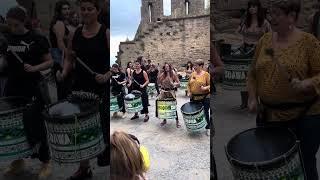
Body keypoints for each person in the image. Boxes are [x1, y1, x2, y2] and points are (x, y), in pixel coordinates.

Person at [247, 1, 320, 179]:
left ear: (292, 17)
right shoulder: (264, 41)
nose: (271, 18)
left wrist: (308, 83)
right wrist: (252, 97)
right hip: (269, 116)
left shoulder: (308, 42)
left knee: (304, 163)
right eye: (270, 13)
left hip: (305, 117)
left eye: (277, 14)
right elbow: (252, 73)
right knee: (274, 165)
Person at [56, 0, 110, 179]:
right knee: (79, 129)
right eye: (83, 9)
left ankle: (112, 168)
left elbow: (116, 64)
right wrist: (63, 73)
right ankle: (84, 167)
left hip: (100, 89)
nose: (85, 12)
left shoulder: (105, 33)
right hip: (80, 88)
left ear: (97, 11)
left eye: (90, 9)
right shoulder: (76, 33)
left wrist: (107, 75)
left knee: (101, 129)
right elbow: (70, 58)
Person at [3, 6, 54, 179]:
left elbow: (49, 62)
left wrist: (34, 68)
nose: (13, 28)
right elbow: (4, 61)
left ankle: (46, 162)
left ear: (24, 21)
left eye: (16, 24)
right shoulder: (7, 39)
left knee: (35, 125)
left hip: (32, 88)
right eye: (10, 25)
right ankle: (17, 162)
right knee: (13, 126)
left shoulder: (36, 38)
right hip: (12, 87)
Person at [237, 0, 271, 109]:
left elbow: (269, 36)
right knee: (244, 75)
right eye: (250, 7)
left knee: (258, 75)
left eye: (254, 6)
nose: (252, 9)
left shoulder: (264, 22)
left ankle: (259, 100)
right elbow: (238, 33)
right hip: (245, 49)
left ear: (258, 8)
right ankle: (244, 101)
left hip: (258, 49)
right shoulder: (245, 21)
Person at [49, 0, 72, 100]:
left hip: (58, 58)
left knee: (63, 88)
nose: (67, 11)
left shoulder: (59, 22)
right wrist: (68, 58)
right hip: (60, 58)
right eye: (64, 9)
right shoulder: (59, 23)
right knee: (64, 89)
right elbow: (60, 43)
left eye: (68, 8)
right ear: (59, 11)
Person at [188, 59, 211, 136]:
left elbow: (211, 85)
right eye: (194, 65)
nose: (194, 67)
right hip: (194, 97)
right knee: (195, 112)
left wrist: (205, 88)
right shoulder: (192, 74)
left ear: (201, 66)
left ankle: (208, 127)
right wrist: (189, 92)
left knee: (205, 112)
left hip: (205, 97)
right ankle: (197, 126)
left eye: (196, 65)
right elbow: (188, 85)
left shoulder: (206, 74)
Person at [157, 63, 181, 128]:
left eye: (168, 66)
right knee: (164, 106)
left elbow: (179, 83)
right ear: (164, 68)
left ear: (169, 67)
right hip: (164, 92)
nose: (166, 68)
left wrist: (174, 84)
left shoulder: (173, 74)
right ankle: (164, 120)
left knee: (173, 106)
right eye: (165, 67)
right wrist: (159, 75)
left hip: (171, 92)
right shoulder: (162, 75)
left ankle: (177, 121)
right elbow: (159, 82)